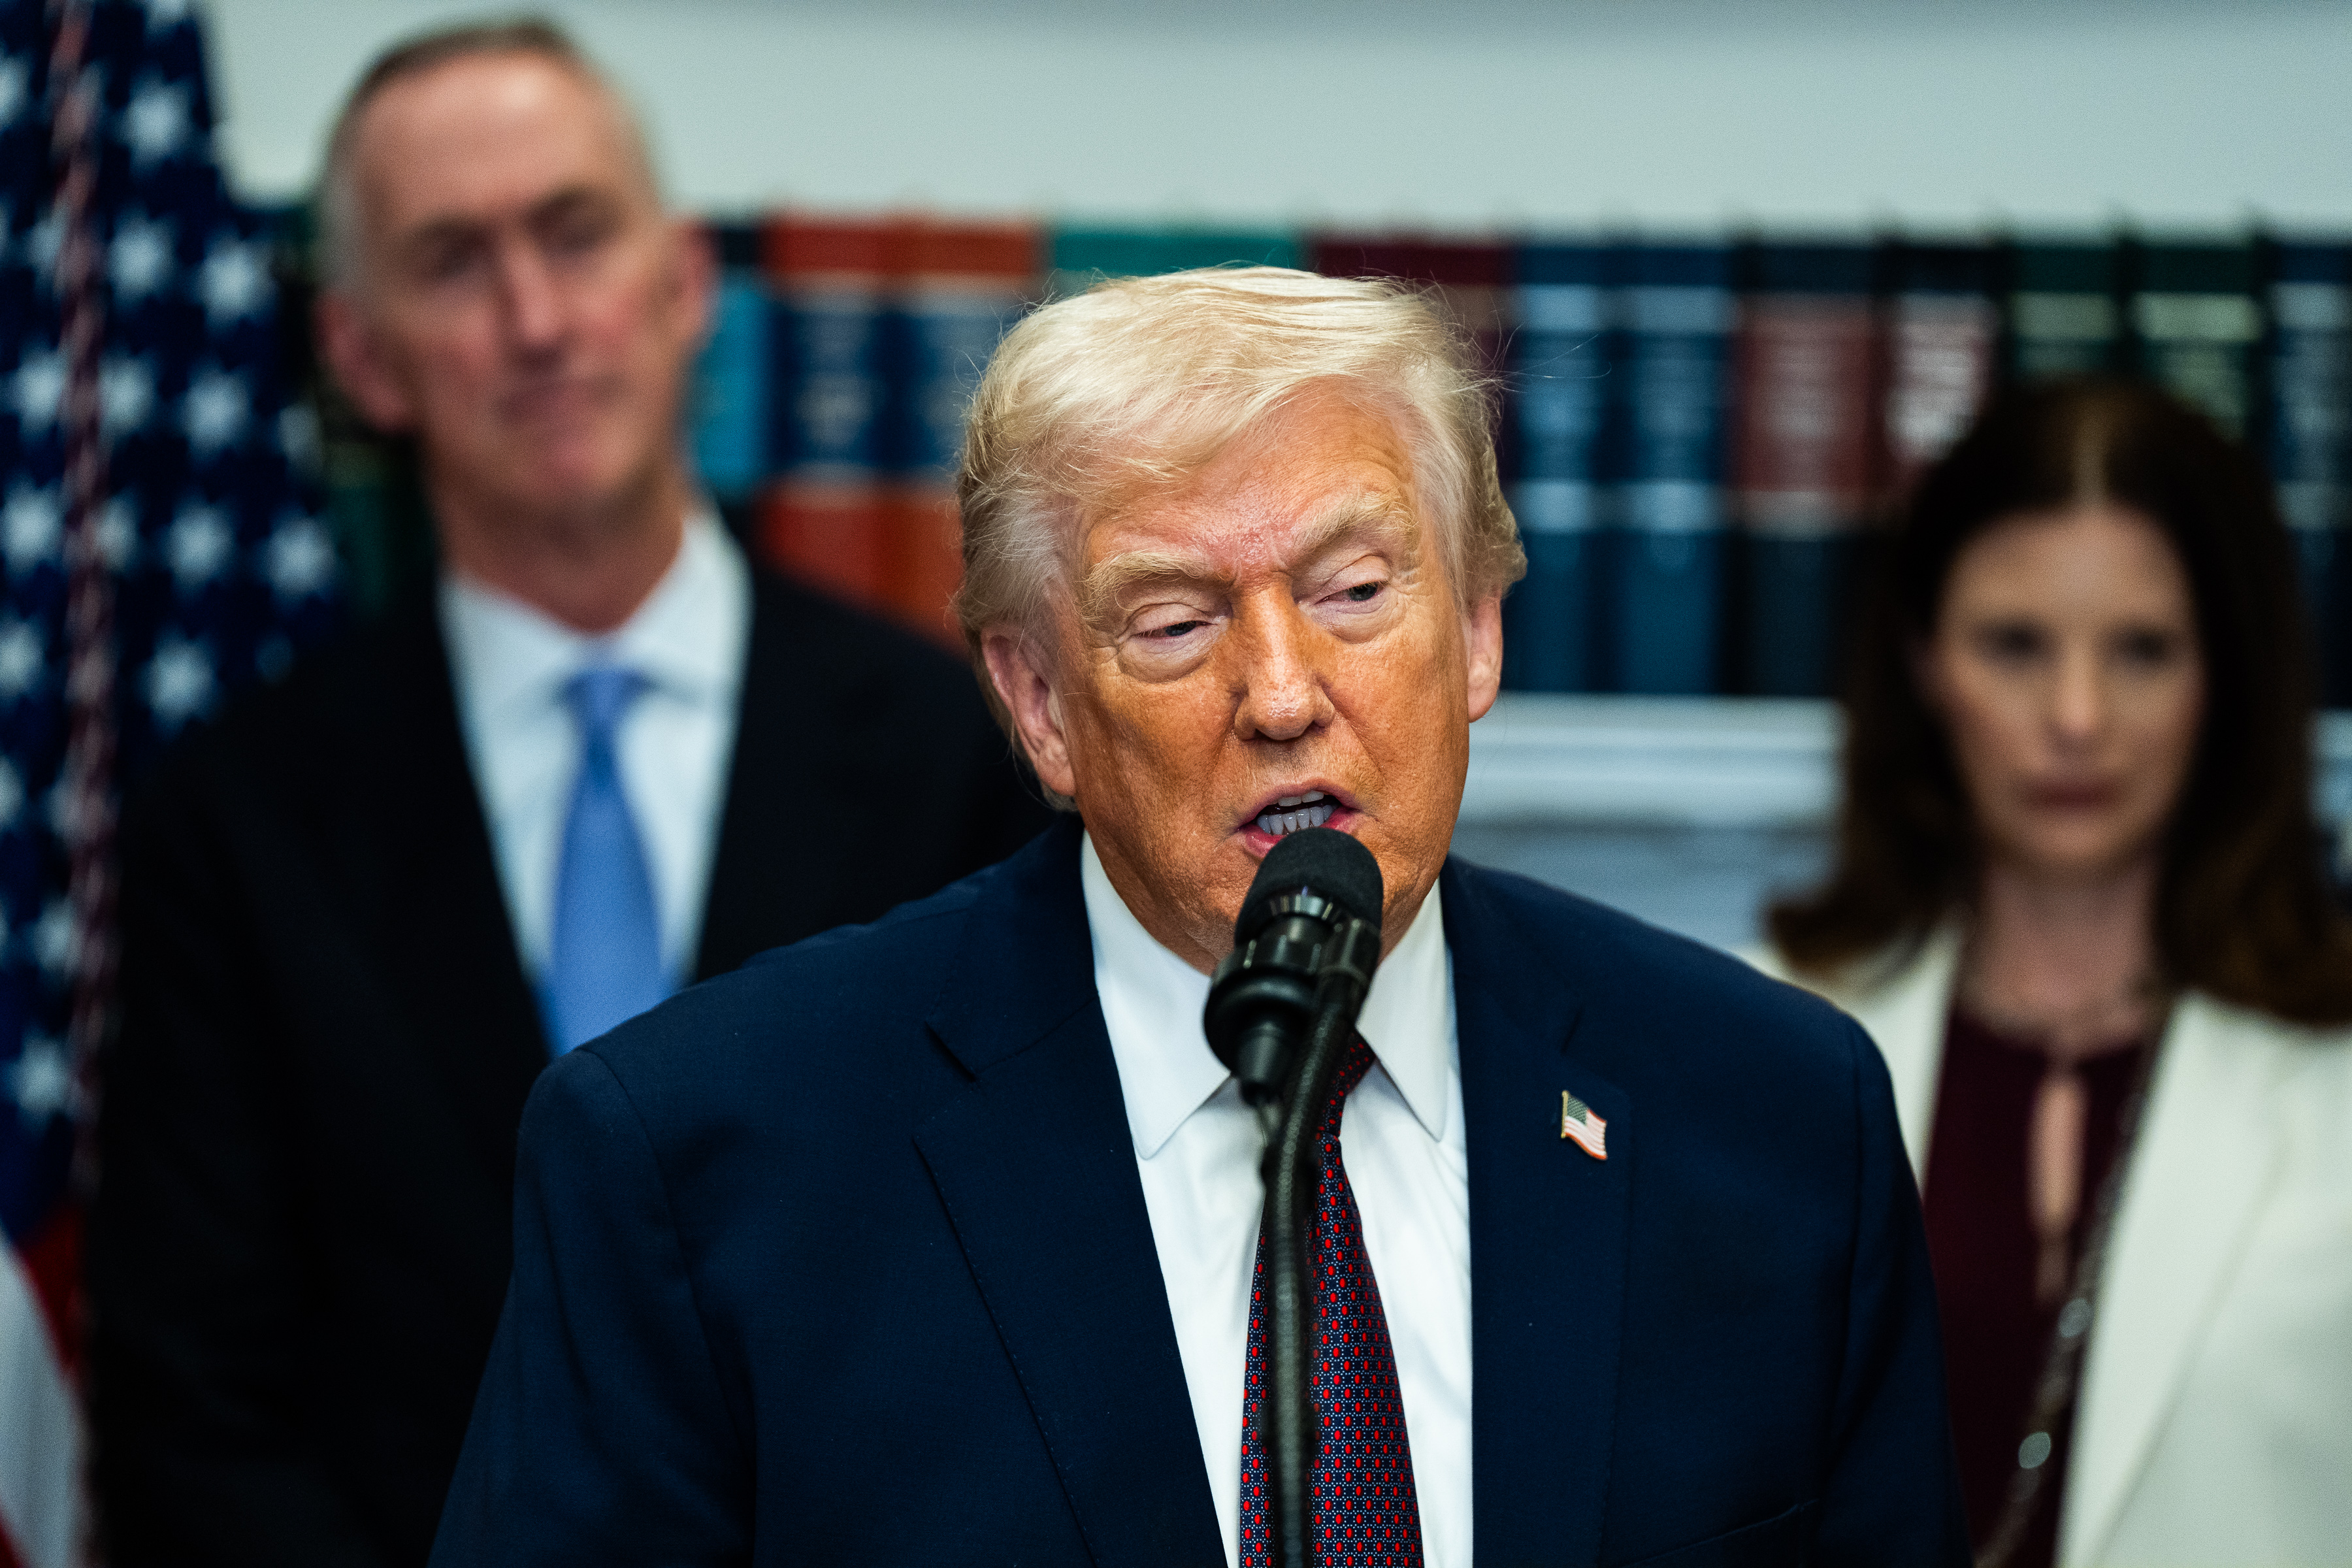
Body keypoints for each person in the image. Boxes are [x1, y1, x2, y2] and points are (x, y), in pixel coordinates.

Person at [427, 266, 1969, 1567]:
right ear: (1038, 705)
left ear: (1482, 631)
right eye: (1174, 624)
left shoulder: (1773, 1119)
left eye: (1358, 592)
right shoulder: (704, 1165)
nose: (1288, 696)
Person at [86, 22, 1049, 1568]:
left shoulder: (961, 755)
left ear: (683, 286)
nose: (535, 320)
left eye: (574, 234)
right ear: (359, 357)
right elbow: (191, 1404)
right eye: (454, 261)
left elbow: (1034, 1315)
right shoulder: (240, 817)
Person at [1756, 378, 2352, 1567]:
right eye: (2015, 644)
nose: (2077, 718)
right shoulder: (1751, 1039)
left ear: (2229, 677)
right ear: (1925, 663)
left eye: (2143, 649)